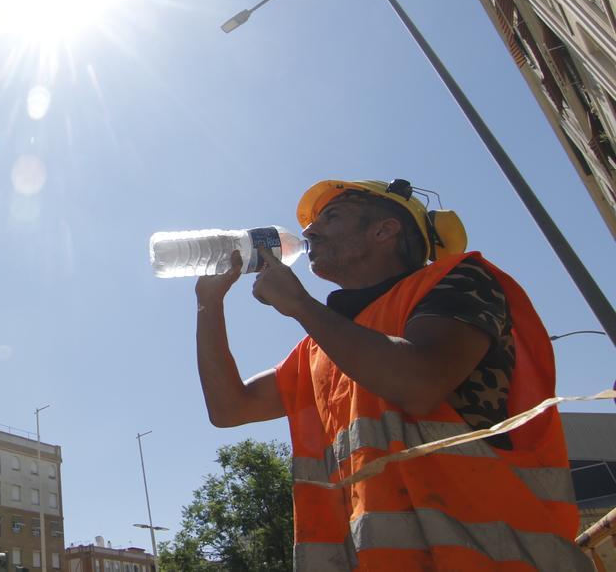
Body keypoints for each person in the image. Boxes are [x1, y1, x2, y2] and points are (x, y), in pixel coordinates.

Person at [195, 179, 588, 570]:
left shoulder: (456, 280)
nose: (310, 231)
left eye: (331, 217)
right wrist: (209, 304)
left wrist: (300, 304)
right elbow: (230, 408)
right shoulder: (321, 348)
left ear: (385, 229)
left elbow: (420, 383)